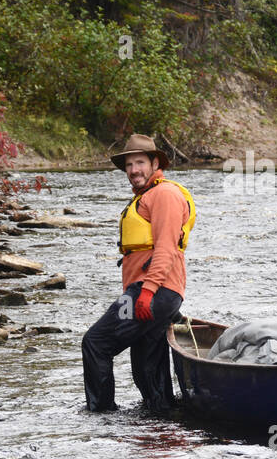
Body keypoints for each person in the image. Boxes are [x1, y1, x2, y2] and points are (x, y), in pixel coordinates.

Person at [81, 134, 197, 412]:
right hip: (159, 292)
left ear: (155, 163)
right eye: (129, 165)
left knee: (96, 343)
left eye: (140, 162)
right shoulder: (147, 196)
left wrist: (147, 292)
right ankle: (162, 417)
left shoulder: (164, 194)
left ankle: (101, 415)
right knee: (148, 365)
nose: (134, 170)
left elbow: (167, 248)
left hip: (152, 290)